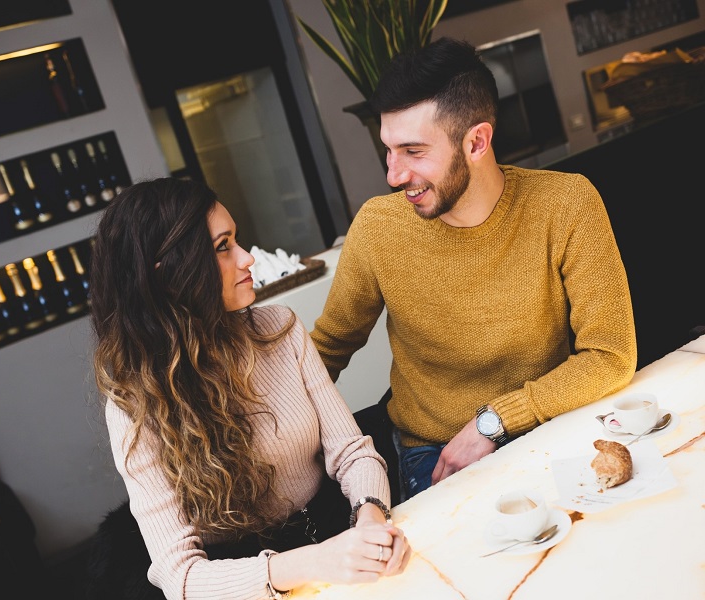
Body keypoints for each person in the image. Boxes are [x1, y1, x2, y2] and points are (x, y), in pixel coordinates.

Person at [311, 37, 638, 502]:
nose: (393, 175)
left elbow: (610, 355)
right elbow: (326, 350)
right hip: (434, 449)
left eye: (413, 151)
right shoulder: (378, 227)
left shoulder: (566, 203)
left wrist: (494, 421)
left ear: (476, 141)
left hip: (549, 423)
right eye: (389, 150)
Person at [88, 176, 410, 600]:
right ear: (168, 275)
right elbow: (180, 576)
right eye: (223, 247)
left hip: (337, 529)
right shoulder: (133, 403)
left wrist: (371, 519)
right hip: (244, 580)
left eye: (235, 240)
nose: (247, 258)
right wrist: (318, 560)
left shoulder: (281, 329)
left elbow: (352, 452)